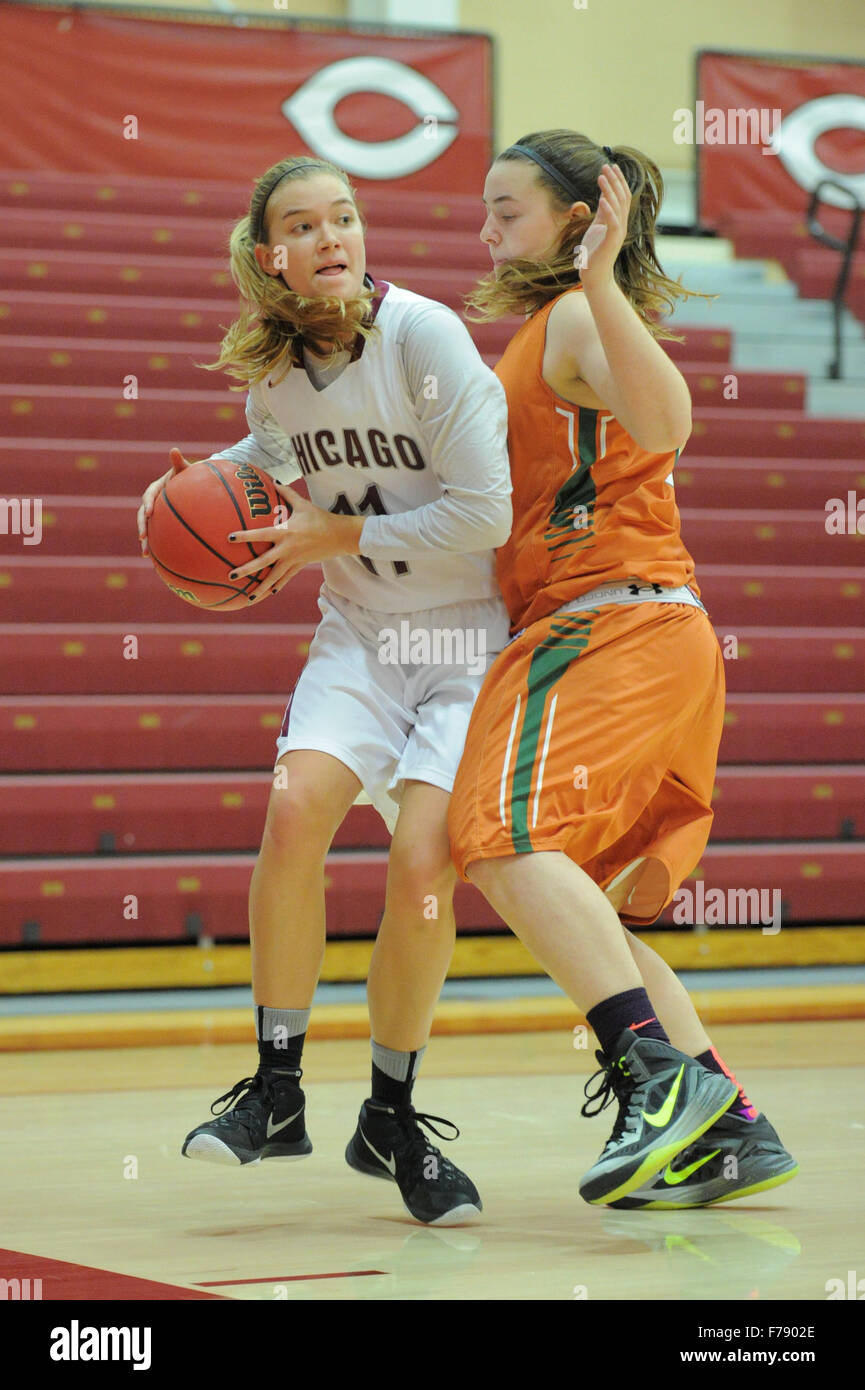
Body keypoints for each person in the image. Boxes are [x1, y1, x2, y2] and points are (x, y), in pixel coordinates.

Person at [137, 155, 513, 1225]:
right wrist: (169, 501)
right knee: (296, 808)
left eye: (344, 216)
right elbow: (263, 462)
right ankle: (278, 1085)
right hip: (359, 635)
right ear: (272, 259)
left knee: (420, 861)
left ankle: (390, 1111)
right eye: (302, 225)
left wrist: (332, 534)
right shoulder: (273, 376)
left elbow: (487, 516)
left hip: (466, 641)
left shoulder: (425, 338)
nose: (330, 236)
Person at [448, 130, 798, 1208]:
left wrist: (598, 281)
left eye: (506, 209)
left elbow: (668, 421)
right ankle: (726, 1123)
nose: (486, 230)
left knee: (499, 839)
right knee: (580, 898)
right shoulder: (547, 332)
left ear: (571, 219)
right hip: (645, 629)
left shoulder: (569, 315)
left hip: (606, 626)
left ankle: (653, 1079)